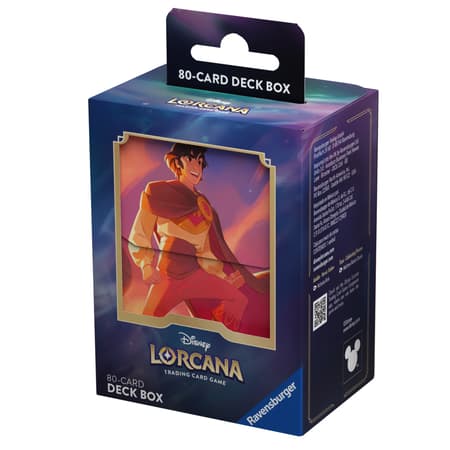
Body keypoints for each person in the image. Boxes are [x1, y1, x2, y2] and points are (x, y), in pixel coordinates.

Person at [128, 143, 267, 332]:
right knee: (145, 322)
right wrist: (146, 265)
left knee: (238, 299)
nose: (196, 167)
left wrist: (224, 276)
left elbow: (205, 250)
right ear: (178, 163)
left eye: (200, 162)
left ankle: (215, 336)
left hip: (195, 275)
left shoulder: (203, 206)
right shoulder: (158, 193)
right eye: (190, 159)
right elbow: (140, 232)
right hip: (167, 277)